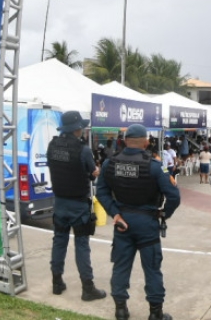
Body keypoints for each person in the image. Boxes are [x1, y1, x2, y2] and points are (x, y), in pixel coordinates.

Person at [96, 124, 182, 320]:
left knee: (120, 266)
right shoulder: (155, 165)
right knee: (152, 268)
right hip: (147, 222)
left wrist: (114, 213)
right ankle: (155, 313)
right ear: (146, 142)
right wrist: (164, 214)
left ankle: (120, 310)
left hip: (122, 221)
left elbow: (101, 190)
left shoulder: (111, 163)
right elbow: (174, 196)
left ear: (125, 141)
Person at [46, 111, 107, 303]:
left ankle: (57, 282)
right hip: (78, 204)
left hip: (59, 202)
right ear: (77, 129)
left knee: (59, 241)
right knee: (81, 245)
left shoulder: (52, 145)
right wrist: (95, 172)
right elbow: (92, 172)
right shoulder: (84, 150)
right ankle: (87, 288)